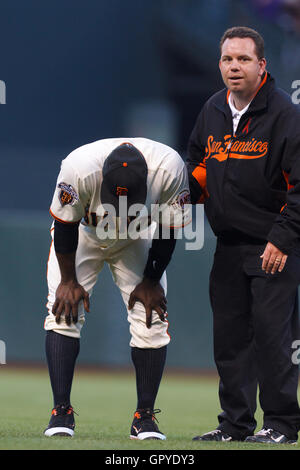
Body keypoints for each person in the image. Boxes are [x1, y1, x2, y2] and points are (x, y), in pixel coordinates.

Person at [187, 26, 300, 444]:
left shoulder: (284, 114)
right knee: (230, 340)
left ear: (262, 65)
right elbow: (198, 162)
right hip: (229, 244)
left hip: (273, 246)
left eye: (243, 59)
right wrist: (186, 195)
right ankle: (234, 425)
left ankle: (283, 424)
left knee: (274, 339)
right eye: (227, 59)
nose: (234, 67)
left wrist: (283, 239)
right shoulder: (213, 108)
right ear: (220, 65)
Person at [43, 137, 191, 439]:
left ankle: (144, 418)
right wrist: (68, 281)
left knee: (152, 318)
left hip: (136, 236)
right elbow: (66, 224)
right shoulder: (79, 168)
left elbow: (168, 228)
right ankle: (61, 411)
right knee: (63, 311)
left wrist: (151, 281)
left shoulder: (169, 168)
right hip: (84, 233)